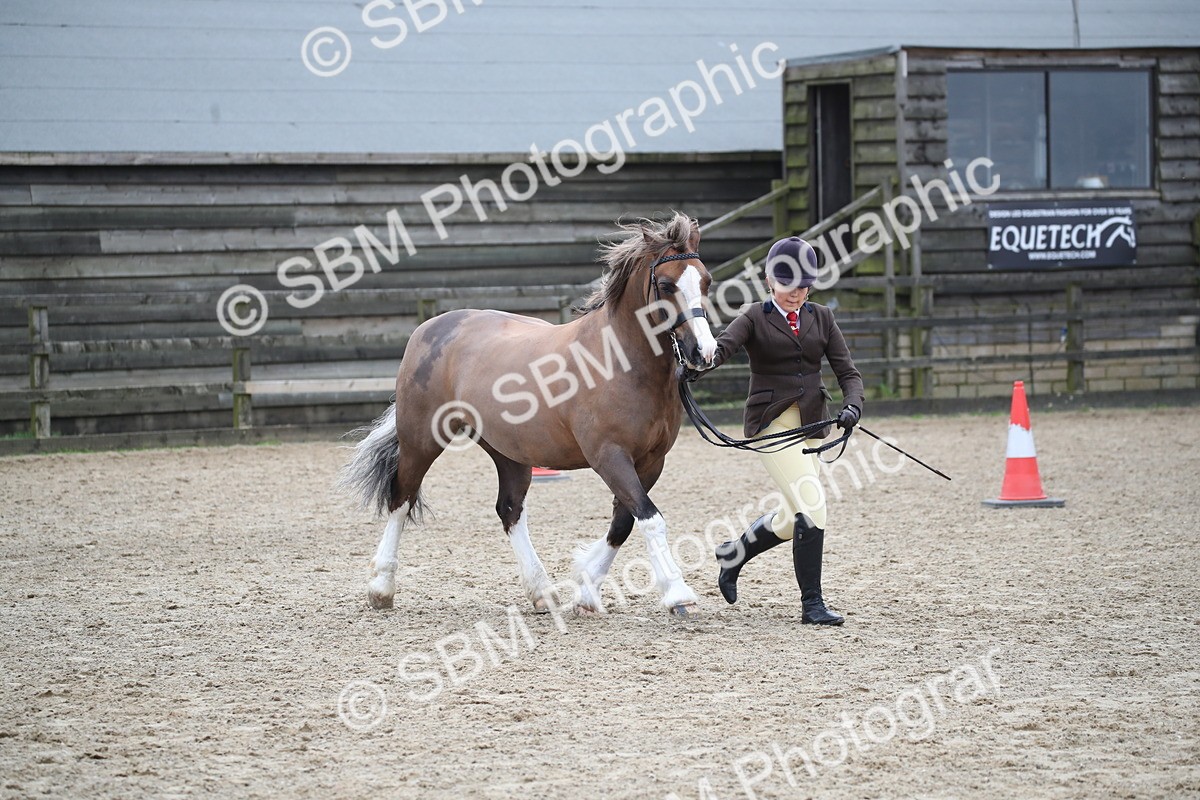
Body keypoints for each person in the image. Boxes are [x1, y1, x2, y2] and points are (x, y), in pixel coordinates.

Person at [697, 236, 864, 625]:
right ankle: (813, 605)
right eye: (789, 285)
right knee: (813, 504)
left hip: (811, 425)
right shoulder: (754, 316)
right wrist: (695, 364)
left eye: (804, 286)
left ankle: (733, 554)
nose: (797, 293)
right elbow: (721, 349)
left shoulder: (822, 317)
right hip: (771, 425)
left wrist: (852, 407)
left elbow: (848, 372)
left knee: (793, 518)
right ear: (770, 280)